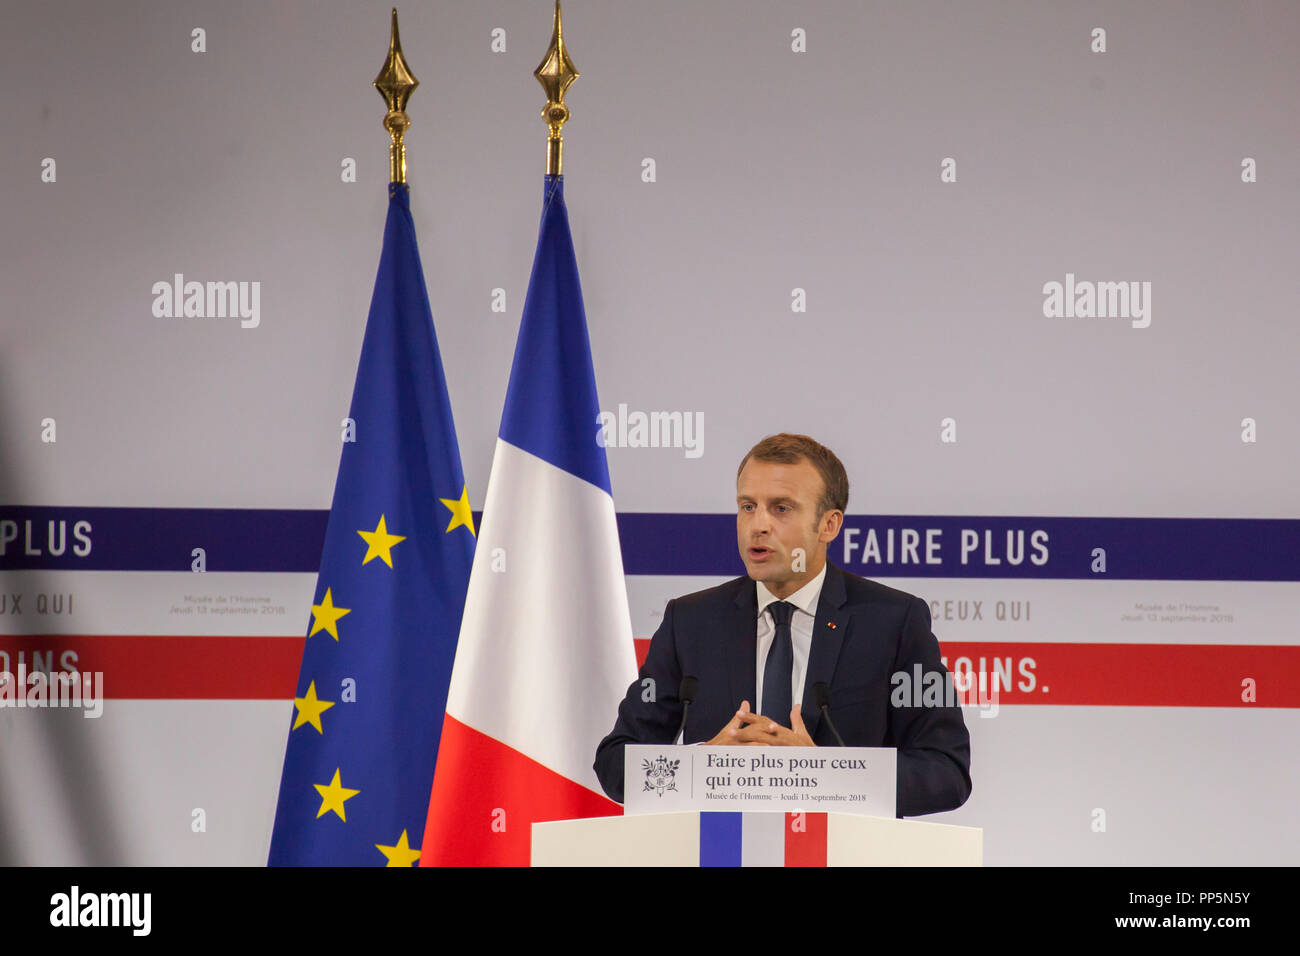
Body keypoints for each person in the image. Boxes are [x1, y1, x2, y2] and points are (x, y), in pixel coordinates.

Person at [593, 433, 972, 817]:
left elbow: (946, 771)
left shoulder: (894, 622)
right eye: (747, 506)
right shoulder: (689, 622)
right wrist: (704, 764)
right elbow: (615, 763)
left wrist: (823, 773)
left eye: (781, 508)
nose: (758, 525)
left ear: (829, 525)